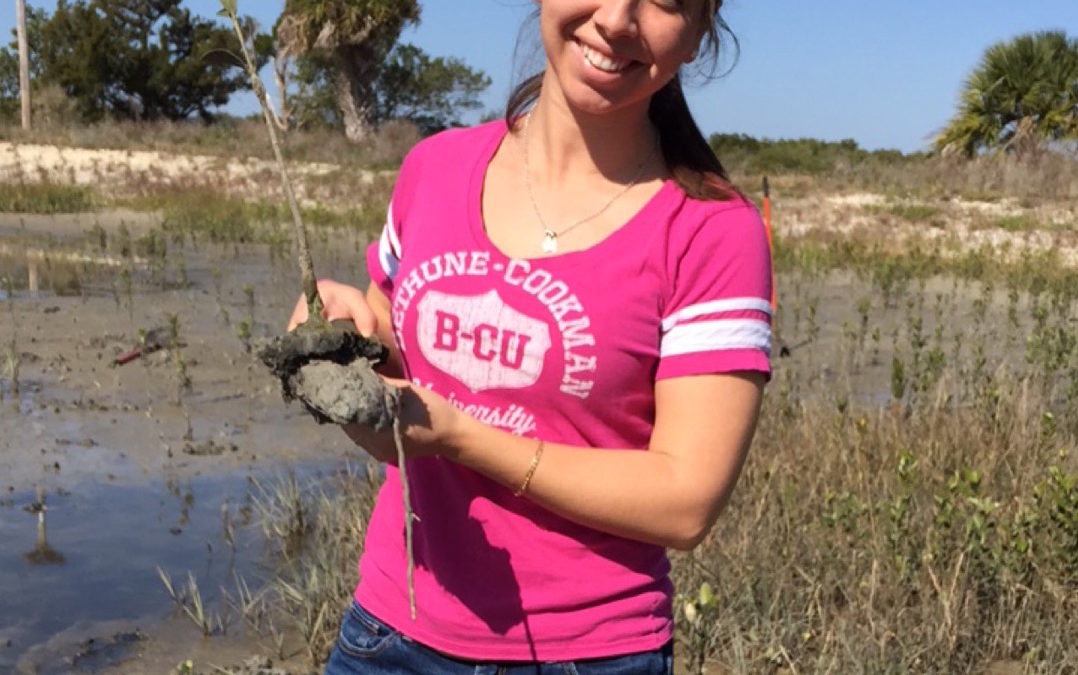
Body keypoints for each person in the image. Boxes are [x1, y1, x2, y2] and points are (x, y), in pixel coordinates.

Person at [288, 1, 772, 672]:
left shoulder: (712, 230)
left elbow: (685, 502)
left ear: (696, 35)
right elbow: (396, 410)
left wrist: (461, 434)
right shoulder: (435, 169)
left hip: (588, 653)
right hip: (390, 632)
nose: (618, 20)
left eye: (664, 1)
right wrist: (345, 339)